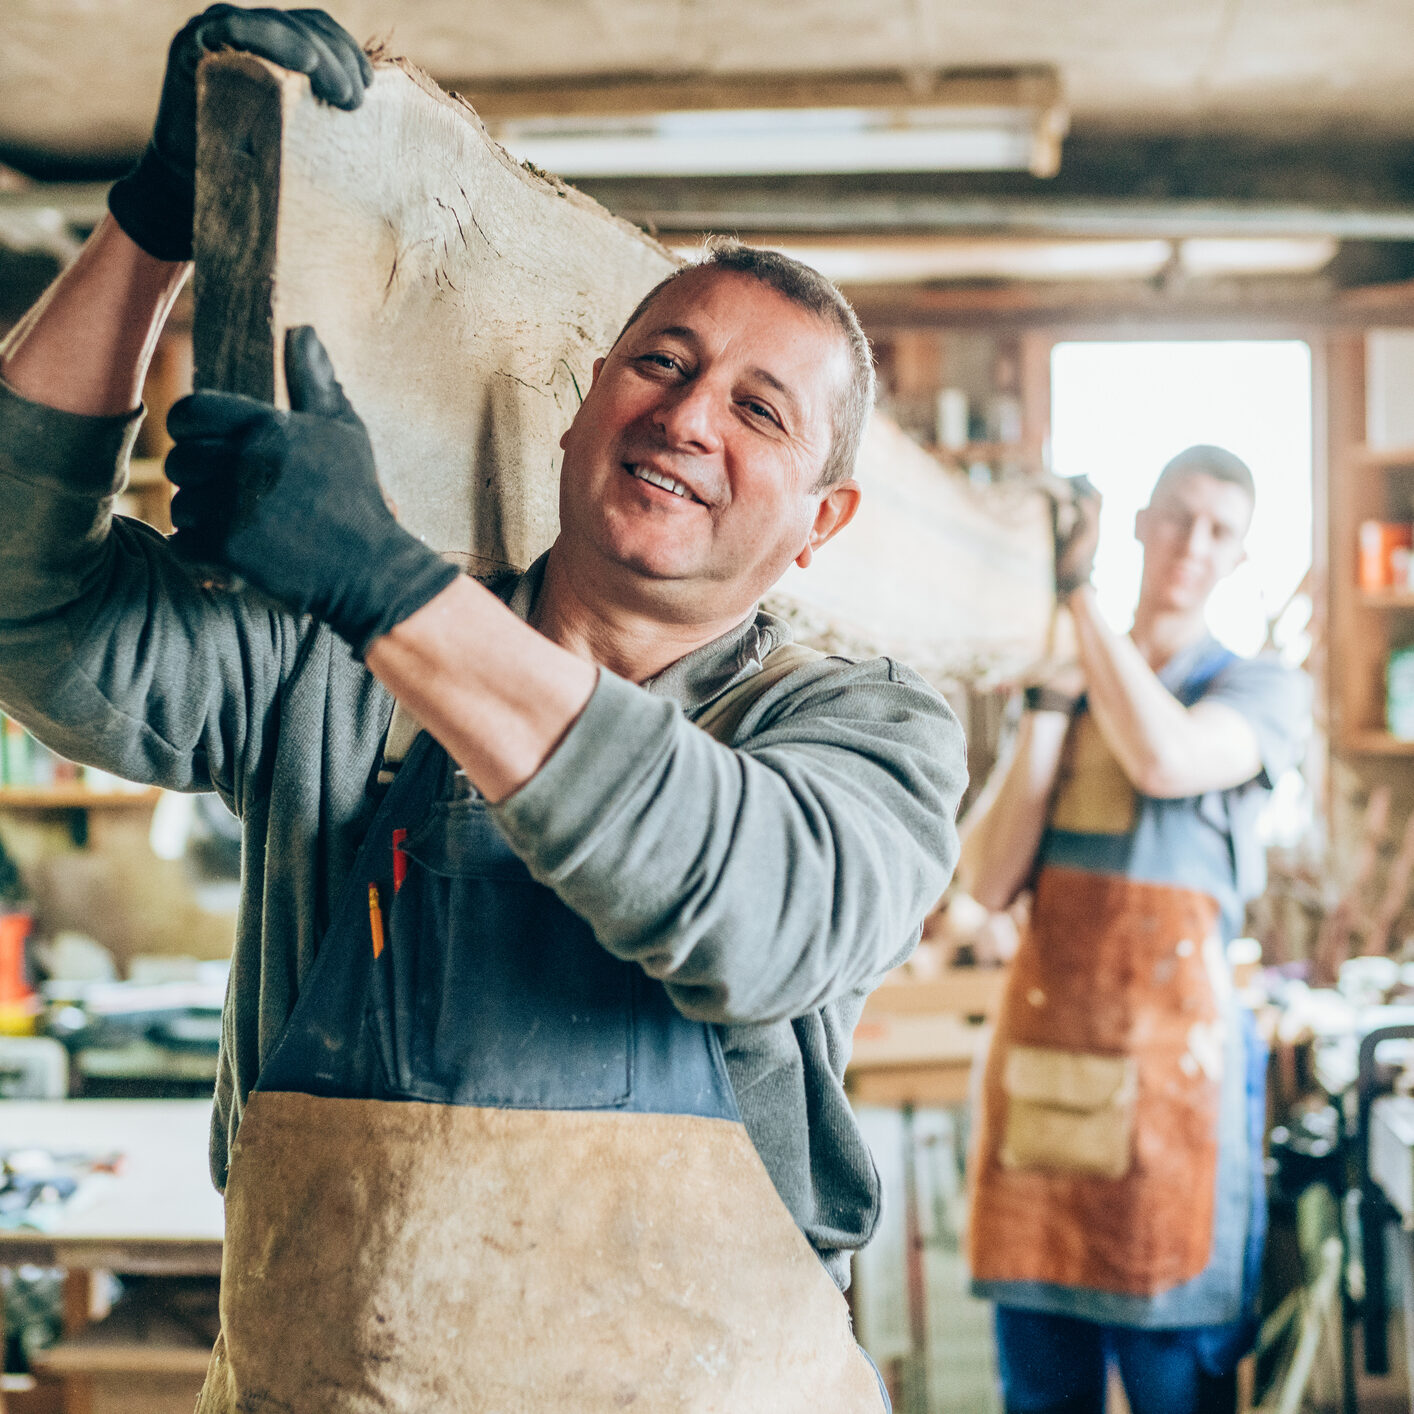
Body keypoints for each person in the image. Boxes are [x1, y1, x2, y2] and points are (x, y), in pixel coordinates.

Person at [0, 8, 966, 1410]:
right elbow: (34, 611)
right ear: (580, 410)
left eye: (760, 410)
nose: (691, 415)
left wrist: (388, 587)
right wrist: (156, 224)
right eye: (663, 361)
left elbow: (755, 911)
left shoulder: (859, 726)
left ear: (822, 523)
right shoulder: (326, 664)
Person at [958, 446, 1309, 1414]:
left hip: (1170, 1097)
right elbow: (987, 881)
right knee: (1040, 1392)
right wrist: (1050, 702)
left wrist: (1076, 601)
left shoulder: (1260, 690)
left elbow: (1163, 758)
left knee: (1172, 1386)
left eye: (1219, 530)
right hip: (1043, 1086)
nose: (1193, 544)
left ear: (1238, 557)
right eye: (1178, 517)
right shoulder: (1074, 680)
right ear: (1143, 524)